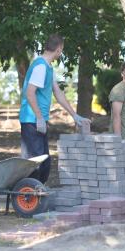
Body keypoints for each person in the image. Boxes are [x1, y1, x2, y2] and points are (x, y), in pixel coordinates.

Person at [19, 34, 90, 184]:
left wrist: (74, 115)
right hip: (32, 120)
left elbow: (58, 93)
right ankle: (28, 198)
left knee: (44, 162)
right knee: (34, 163)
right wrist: (38, 117)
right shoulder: (40, 67)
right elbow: (29, 92)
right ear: (58, 49)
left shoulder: (48, 67)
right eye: (61, 50)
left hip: (39, 120)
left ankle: (37, 194)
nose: (61, 53)